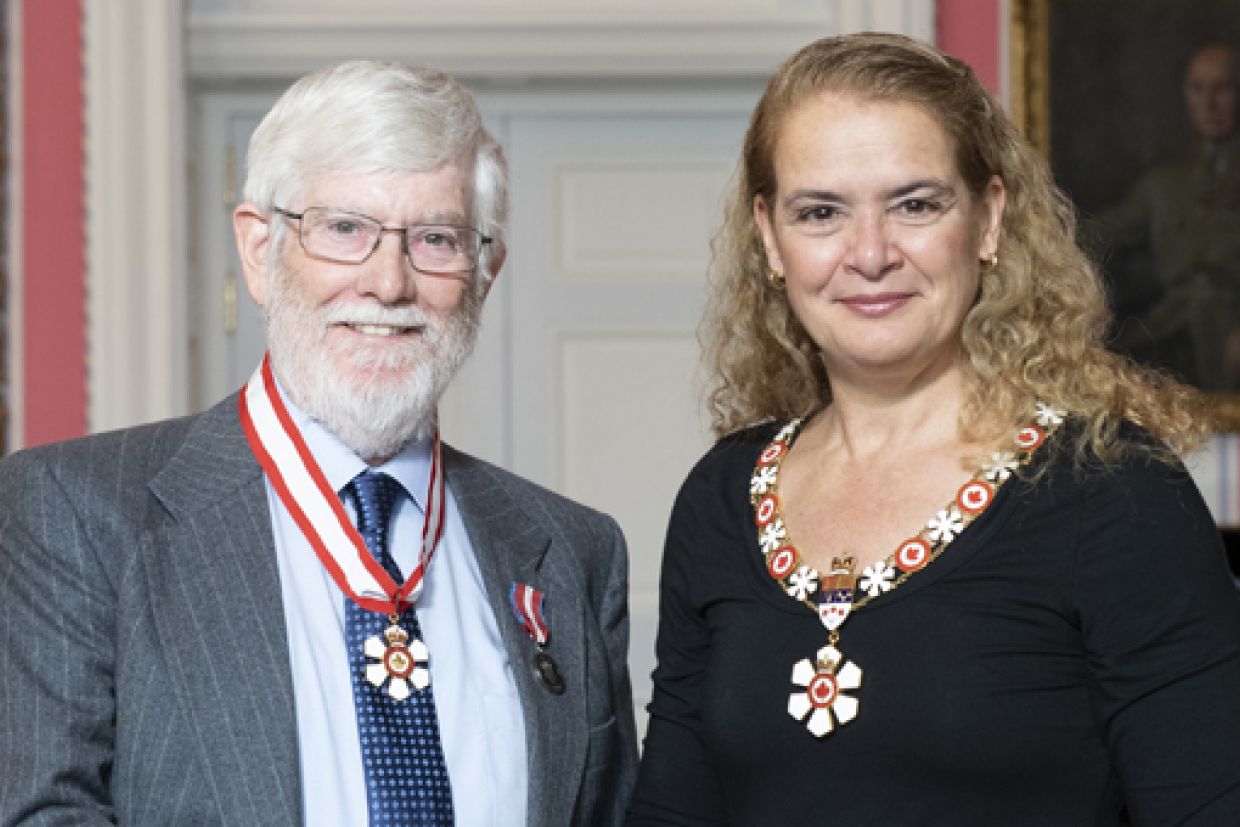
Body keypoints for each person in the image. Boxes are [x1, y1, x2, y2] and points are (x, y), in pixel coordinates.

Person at [0, 60, 637, 826]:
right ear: (259, 250)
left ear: (485, 272)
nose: (388, 282)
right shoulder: (78, 512)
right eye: (344, 230)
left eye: (435, 239)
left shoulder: (573, 553)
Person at [627, 32, 1240, 825]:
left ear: (987, 221)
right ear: (771, 239)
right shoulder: (722, 497)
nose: (871, 253)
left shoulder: (1114, 490)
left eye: (916, 204)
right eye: (821, 212)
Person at [1096, 44, 1240, 391]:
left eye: (1221, 88)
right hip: (1168, 333)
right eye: (1198, 89)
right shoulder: (1164, 186)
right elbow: (1097, 234)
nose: (1209, 103)